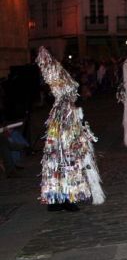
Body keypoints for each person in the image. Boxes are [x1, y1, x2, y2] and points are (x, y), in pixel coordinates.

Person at [36, 47, 105, 211]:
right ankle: (64, 198)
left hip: (63, 132)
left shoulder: (62, 107)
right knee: (64, 162)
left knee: (58, 162)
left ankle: (57, 199)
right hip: (64, 136)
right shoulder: (64, 107)